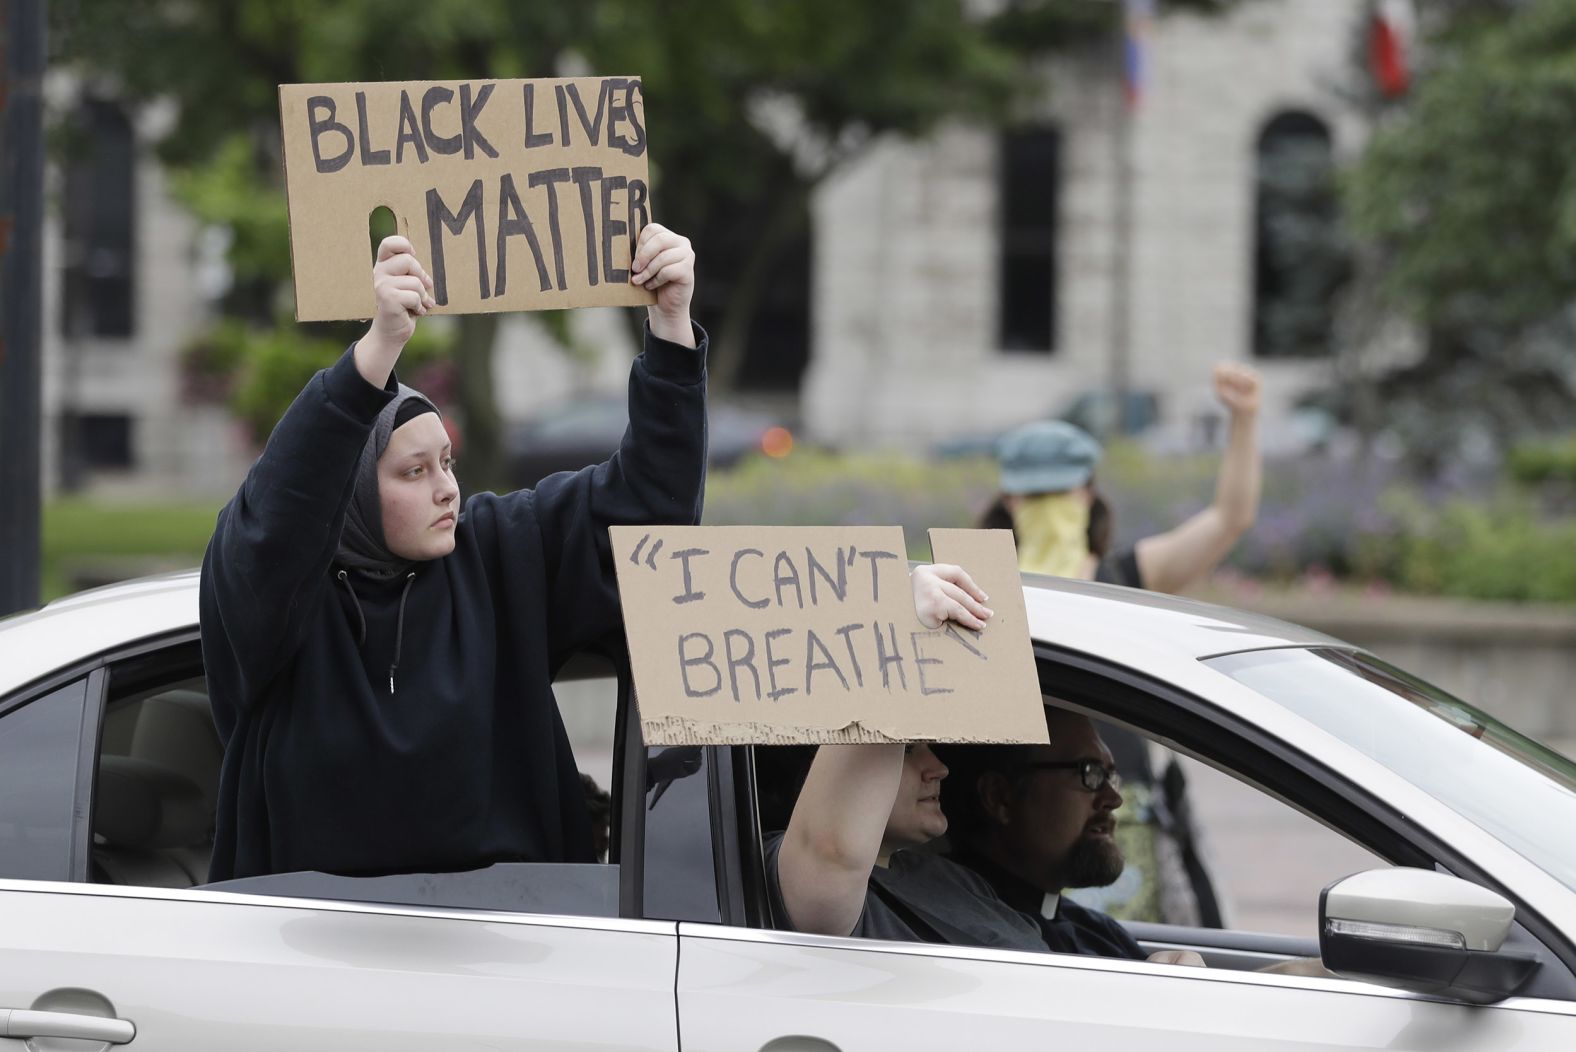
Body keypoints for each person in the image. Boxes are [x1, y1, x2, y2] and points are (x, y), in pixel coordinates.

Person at [200, 223, 705, 882]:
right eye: (414, 472)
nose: (448, 490)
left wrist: (670, 326)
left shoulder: (498, 552)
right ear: (346, 491)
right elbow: (275, 518)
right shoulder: (277, 604)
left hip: (516, 949)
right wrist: (378, 349)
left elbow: (649, 515)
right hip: (313, 957)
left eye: (449, 463)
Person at [769, 564, 1201, 963]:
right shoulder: (818, 883)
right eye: (905, 747)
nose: (939, 766)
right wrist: (895, 627)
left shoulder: (953, 882)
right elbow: (833, 851)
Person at [978, 364, 1262, 924]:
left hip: (1121, 812)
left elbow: (1229, 519)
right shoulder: (977, 582)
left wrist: (1245, 419)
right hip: (1018, 814)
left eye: (1061, 490)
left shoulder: (1124, 576)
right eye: (1036, 494)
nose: (1050, 504)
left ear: (1087, 492)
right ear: (1010, 500)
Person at [940, 709, 1331, 976]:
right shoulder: (972, 940)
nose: (1114, 798)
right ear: (999, 797)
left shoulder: (1089, 927)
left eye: (1112, 775)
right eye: (1090, 773)